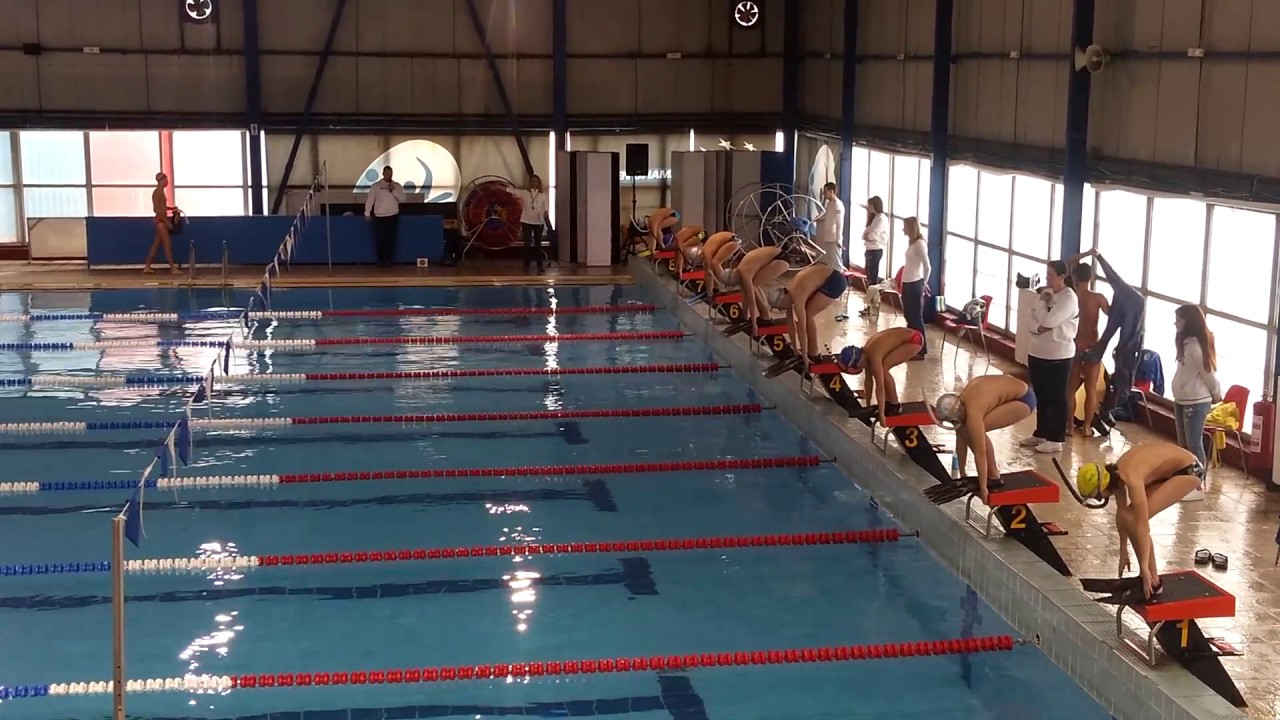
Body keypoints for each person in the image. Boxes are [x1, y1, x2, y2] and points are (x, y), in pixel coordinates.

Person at [1074, 441, 1206, 598]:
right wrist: (1123, 549)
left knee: (1136, 519)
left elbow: (1143, 526)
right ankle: (1149, 577)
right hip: (1171, 470)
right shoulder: (1115, 474)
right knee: (1129, 516)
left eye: (1097, 497)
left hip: (1190, 471)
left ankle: (1153, 581)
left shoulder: (1132, 478)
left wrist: (1143, 566)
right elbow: (1122, 514)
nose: (1100, 499)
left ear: (1102, 488)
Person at [923, 375, 1036, 504]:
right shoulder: (961, 400)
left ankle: (994, 476)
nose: (955, 424)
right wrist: (962, 474)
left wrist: (983, 488)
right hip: (1011, 390)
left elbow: (980, 453)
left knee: (975, 432)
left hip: (1023, 399)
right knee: (965, 430)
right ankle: (991, 475)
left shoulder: (973, 412)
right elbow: (960, 439)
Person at [1019, 260, 1078, 454]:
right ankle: (1041, 432)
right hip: (1037, 351)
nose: (1047, 278)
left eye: (1051, 275)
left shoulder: (1069, 298)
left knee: (1056, 396)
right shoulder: (1045, 294)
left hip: (1058, 354)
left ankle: (1056, 438)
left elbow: (1049, 320)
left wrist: (1042, 310)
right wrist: (1038, 327)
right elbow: (1028, 316)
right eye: (1047, 274)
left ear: (1062, 277)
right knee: (1041, 395)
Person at [1082, 250, 1146, 430]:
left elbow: (1112, 276)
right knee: (1119, 378)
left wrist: (1099, 257)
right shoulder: (1125, 298)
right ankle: (1102, 411)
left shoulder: (1130, 298)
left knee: (1122, 379)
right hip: (1128, 344)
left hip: (1130, 345)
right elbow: (1111, 329)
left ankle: (1104, 410)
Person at [1171, 304, 1220, 502]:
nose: (1175, 323)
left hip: (1196, 401)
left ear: (1189, 322)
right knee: (1183, 445)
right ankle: (1186, 480)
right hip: (1181, 400)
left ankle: (1198, 484)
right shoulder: (1185, 343)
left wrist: (1216, 394)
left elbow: (1208, 374)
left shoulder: (1195, 347)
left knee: (1194, 443)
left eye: (1179, 320)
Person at [833, 327, 926, 425]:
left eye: (856, 367)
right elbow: (868, 381)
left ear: (857, 361)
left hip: (914, 340)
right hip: (907, 336)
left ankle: (895, 405)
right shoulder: (865, 354)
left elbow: (879, 386)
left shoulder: (873, 357)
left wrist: (882, 415)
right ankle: (888, 403)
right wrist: (867, 406)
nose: (859, 368)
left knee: (884, 368)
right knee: (882, 368)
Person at [1064, 258, 1110, 436]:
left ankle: (1069, 426)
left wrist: (1087, 253)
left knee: (1071, 388)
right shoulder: (1098, 298)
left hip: (1075, 344)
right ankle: (1087, 427)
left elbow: (1071, 261)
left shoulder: (1070, 296)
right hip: (1092, 345)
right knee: (1091, 389)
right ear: (1091, 277)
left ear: (1075, 277)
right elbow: (1113, 315)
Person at [784, 263, 848, 367]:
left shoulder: (797, 295)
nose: (784, 309)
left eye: (781, 307)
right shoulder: (788, 293)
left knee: (808, 314)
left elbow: (801, 328)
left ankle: (814, 354)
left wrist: (804, 355)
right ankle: (811, 351)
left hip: (835, 281)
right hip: (824, 276)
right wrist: (795, 350)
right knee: (807, 313)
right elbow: (790, 324)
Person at [737, 245, 791, 332]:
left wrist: (754, 323)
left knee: (753, 285)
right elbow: (745, 296)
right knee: (755, 284)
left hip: (780, 259)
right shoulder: (741, 269)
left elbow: (751, 300)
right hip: (777, 256)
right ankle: (765, 315)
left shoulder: (745, 273)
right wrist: (744, 318)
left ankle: (765, 317)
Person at [364, 166, 406, 268]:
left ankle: (388, 260)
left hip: (392, 216)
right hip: (380, 216)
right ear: (383, 174)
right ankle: (381, 260)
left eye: (390, 173)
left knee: (391, 239)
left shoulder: (397, 186)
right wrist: (367, 212)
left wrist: (393, 190)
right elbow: (370, 199)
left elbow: (403, 199)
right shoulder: (376, 186)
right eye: (387, 173)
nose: (389, 175)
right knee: (380, 239)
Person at [900, 217, 930, 360]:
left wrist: (923, 283)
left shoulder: (919, 244)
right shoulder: (911, 243)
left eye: (905, 226)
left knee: (916, 318)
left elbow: (927, 266)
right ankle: (912, 345)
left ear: (911, 228)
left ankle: (921, 349)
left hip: (914, 284)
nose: (903, 229)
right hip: (907, 283)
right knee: (908, 316)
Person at [142, 173, 179, 275]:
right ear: (162, 180)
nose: (167, 182)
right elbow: (158, 210)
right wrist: (167, 222)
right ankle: (173, 268)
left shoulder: (158, 192)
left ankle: (147, 267)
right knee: (167, 245)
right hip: (161, 223)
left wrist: (172, 208)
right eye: (166, 180)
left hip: (159, 222)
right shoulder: (159, 192)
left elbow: (160, 207)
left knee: (156, 245)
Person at [858, 196, 888, 318]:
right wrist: (868, 235)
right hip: (869, 249)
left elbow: (870, 234)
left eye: (870, 205)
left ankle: (873, 306)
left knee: (873, 279)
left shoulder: (881, 218)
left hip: (875, 250)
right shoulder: (874, 218)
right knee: (869, 277)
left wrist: (869, 236)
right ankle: (870, 306)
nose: (868, 207)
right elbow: (865, 234)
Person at [520, 175, 549, 273]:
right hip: (526, 221)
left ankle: (540, 265)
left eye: (536, 181)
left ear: (538, 183)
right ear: (530, 183)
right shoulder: (525, 193)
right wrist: (501, 188)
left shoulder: (543, 195)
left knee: (538, 244)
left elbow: (546, 207)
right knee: (527, 243)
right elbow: (514, 192)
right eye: (532, 181)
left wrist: (545, 212)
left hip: (538, 222)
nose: (534, 183)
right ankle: (526, 265)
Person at [815, 182, 845, 270]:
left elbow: (839, 223)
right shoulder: (829, 204)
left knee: (836, 261)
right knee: (830, 260)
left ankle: (839, 276)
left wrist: (838, 239)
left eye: (825, 192)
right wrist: (818, 218)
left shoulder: (837, 204)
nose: (824, 194)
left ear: (831, 191)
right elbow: (827, 215)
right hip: (828, 236)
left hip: (834, 238)